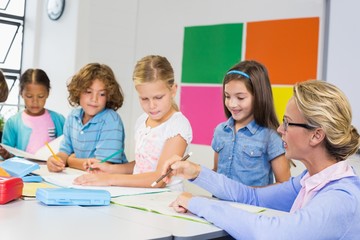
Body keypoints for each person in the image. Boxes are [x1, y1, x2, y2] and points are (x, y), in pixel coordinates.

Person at [162, 80, 360, 239]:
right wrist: (196, 172)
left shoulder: (340, 199)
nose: (280, 130)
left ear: (316, 135)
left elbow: (268, 233)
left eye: (288, 123)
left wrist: (199, 204)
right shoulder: (308, 182)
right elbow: (252, 197)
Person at [73, 55, 192, 190]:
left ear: (173, 90)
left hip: (165, 201)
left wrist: (110, 179)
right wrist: (110, 169)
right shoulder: (142, 121)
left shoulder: (177, 125)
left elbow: (159, 178)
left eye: (158, 97)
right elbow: (143, 165)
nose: (151, 105)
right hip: (138, 196)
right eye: (144, 99)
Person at [212, 60, 290, 186]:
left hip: (251, 206)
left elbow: (284, 185)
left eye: (240, 98)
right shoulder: (221, 131)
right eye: (227, 96)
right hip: (219, 203)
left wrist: (249, 194)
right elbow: (216, 172)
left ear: (258, 96)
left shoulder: (270, 137)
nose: (232, 104)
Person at [47, 63, 127, 172]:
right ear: (78, 92)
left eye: (102, 94)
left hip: (109, 183)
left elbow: (102, 166)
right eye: (88, 92)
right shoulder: (73, 117)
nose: (94, 99)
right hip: (80, 178)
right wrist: (56, 160)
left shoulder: (111, 120)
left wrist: (71, 161)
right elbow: (65, 151)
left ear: (109, 96)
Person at [0, 68, 65, 160]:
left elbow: (66, 148)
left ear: (48, 93)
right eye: (29, 96)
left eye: (40, 96)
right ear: (21, 93)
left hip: (52, 171)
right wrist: (6, 155)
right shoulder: (13, 122)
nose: (35, 102)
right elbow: (7, 152)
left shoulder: (59, 119)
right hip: (24, 171)